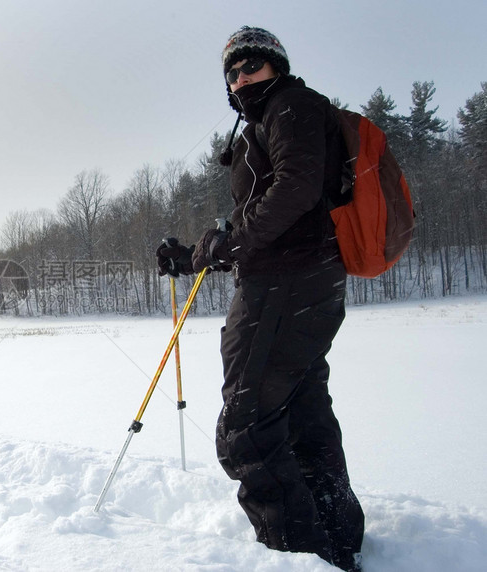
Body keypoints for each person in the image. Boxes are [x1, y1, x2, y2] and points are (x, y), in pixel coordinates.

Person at [155, 26, 365, 571]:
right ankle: (338, 538)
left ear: (277, 67)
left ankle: (298, 553)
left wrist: (229, 242)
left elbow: (294, 189)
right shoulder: (276, 117)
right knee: (301, 413)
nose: (242, 77)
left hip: (287, 287)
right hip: (301, 282)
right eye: (233, 71)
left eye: (253, 66)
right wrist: (199, 253)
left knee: (246, 427)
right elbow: (268, 216)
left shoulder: (290, 106)